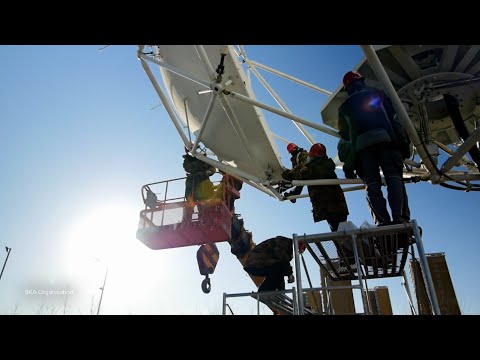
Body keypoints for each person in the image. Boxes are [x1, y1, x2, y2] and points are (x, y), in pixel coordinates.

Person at [338, 70, 411, 226]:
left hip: (363, 150)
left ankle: (382, 221)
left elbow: (345, 136)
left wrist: (349, 165)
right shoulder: (379, 95)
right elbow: (395, 121)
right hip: (387, 142)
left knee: (371, 185)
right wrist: (404, 145)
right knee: (394, 179)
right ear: (361, 81)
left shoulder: (344, 107)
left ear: (347, 88)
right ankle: (400, 218)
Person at [282, 143, 353, 263]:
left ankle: (349, 259)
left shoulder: (314, 167)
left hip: (329, 206)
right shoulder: (325, 165)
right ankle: (347, 258)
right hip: (338, 205)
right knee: (340, 232)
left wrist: (284, 173)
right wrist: (295, 192)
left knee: (338, 234)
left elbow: (298, 174)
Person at [182, 148, 216, 222]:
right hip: (192, 182)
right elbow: (187, 168)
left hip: (202, 181)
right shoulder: (188, 159)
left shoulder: (204, 159)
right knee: (189, 202)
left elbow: (212, 169)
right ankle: (186, 221)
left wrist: (209, 171)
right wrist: (200, 162)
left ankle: (204, 220)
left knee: (203, 203)